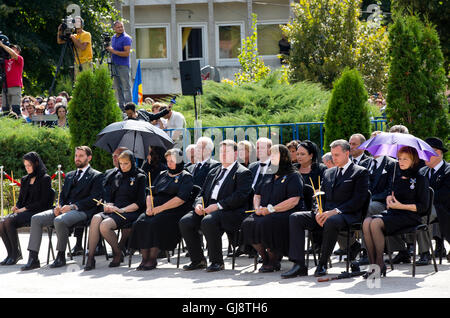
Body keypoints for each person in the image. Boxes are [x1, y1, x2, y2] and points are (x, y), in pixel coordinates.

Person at [282, 140, 369, 278]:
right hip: (326, 213)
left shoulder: (360, 172)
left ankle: (322, 264)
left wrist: (334, 212)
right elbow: (319, 195)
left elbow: (358, 200)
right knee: (295, 217)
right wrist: (317, 211)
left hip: (347, 213)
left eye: (337, 155)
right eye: (332, 155)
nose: (334, 158)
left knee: (332, 221)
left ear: (347, 154)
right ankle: (299, 264)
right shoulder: (329, 172)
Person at [21, 146, 103, 271]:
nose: (77, 158)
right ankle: (33, 259)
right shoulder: (70, 175)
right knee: (36, 218)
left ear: (89, 158)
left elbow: (94, 198)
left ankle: (60, 256)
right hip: (64, 210)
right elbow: (63, 195)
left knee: (59, 220)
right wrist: (59, 206)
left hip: (82, 211)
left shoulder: (96, 176)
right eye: (76, 155)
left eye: (81, 156)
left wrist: (73, 206)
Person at [179, 140, 252, 272]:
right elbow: (201, 192)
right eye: (221, 152)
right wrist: (199, 204)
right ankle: (198, 260)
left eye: (226, 152)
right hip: (208, 208)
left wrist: (218, 206)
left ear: (235, 154)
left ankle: (217, 261)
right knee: (185, 221)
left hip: (231, 211)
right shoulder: (214, 170)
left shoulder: (243, 172)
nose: (223, 155)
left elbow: (240, 196)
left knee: (209, 221)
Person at [362, 146, 430, 278]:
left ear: (413, 160)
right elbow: (390, 194)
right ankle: (374, 265)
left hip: (410, 216)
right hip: (394, 214)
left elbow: (423, 207)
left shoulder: (421, 178)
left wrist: (401, 206)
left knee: (375, 223)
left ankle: (378, 265)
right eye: (399, 159)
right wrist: (389, 198)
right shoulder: (396, 175)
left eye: (405, 159)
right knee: (366, 222)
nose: (401, 161)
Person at [241, 145, 304, 272]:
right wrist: (257, 208)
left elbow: (293, 201)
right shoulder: (268, 174)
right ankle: (264, 258)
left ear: (284, 157)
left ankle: (274, 258)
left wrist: (272, 209)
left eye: (275, 155)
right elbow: (257, 194)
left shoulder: (293, 176)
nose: (272, 158)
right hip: (264, 212)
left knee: (267, 223)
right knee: (248, 223)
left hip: (284, 212)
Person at [129, 148, 194, 270]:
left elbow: (180, 199)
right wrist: (149, 207)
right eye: (168, 160)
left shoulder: (186, 177)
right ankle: (144, 258)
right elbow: (150, 193)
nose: (169, 163)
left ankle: (152, 259)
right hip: (154, 208)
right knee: (140, 222)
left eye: (173, 160)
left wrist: (160, 209)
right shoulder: (162, 174)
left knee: (155, 223)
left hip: (173, 210)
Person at [84, 150, 146, 270]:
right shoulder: (116, 175)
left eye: (126, 163)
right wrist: (108, 205)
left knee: (104, 225)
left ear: (132, 163)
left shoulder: (140, 177)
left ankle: (117, 252)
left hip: (130, 211)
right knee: (96, 218)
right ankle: (91, 257)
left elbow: (139, 203)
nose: (122, 166)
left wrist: (121, 210)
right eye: (121, 163)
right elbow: (110, 196)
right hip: (114, 210)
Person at [0, 152, 53, 265]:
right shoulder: (25, 179)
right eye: (25, 166)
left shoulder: (45, 178)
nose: (27, 168)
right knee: (2, 222)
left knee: (9, 221)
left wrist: (23, 209)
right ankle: (11, 254)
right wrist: (17, 206)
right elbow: (21, 199)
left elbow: (43, 203)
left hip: (37, 211)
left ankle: (15, 254)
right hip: (24, 211)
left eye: (29, 165)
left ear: (36, 163)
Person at [417, 137, 450, 265]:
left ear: (438, 153)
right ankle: (404, 249)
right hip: (427, 205)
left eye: (427, 153)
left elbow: (445, 195)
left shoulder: (448, 170)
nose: (423, 156)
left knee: (422, 216)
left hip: (443, 207)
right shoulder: (422, 171)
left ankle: (424, 253)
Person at [107, 21, 132, 111]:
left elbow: (126, 53)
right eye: (118, 27)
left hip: (123, 65)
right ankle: (122, 107)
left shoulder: (126, 38)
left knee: (126, 87)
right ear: (114, 28)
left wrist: (113, 51)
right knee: (118, 87)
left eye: (121, 26)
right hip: (114, 65)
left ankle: (130, 107)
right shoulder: (113, 38)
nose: (120, 28)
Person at [0, 42, 23, 116]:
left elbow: (13, 54)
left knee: (15, 108)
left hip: (15, 87)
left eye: (13, 48)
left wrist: (2, 45)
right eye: (10, 48)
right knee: (5, 110)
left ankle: (18, 125)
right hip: (5, 87)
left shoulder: (20, 59)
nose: (11, 49)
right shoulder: (6, 61)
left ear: (18, 51)